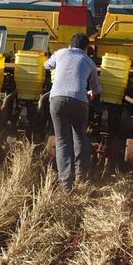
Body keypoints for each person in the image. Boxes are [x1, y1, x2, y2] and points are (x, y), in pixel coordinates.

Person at [46, 32, 101, 191]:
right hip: (79, 101)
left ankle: (66, 185)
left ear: (71, 44)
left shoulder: (61, 53)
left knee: (62, 141)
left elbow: (46, 65)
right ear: (86, 47)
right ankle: (81, 177)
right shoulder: (89, 61)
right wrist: (91, 93)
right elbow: (96, 88)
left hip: (56, 99)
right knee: (80, 136)